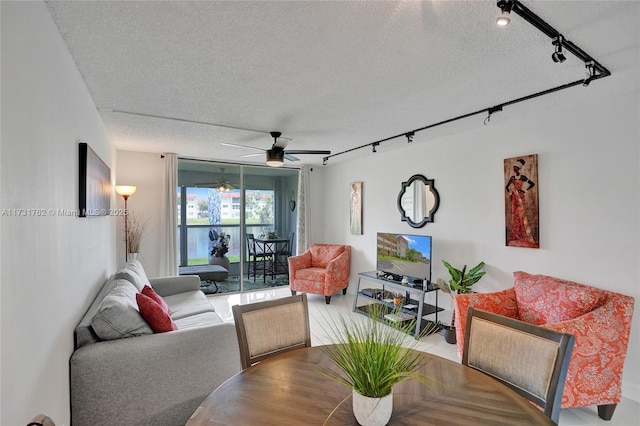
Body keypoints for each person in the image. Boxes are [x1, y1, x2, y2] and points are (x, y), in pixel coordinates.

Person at [505, 158, 537, 247]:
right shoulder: (512, 178)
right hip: (514, 197)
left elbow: (532, 184)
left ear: (518, 168)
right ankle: (516, 234)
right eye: (513, 167)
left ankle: (524, 234)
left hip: (521, 197)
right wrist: (510, 194)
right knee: (515, 215)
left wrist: (524, 189)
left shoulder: (523, 177)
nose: (514, 169)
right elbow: (507, 187)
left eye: (515, 167)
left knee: (522, 214)